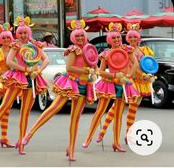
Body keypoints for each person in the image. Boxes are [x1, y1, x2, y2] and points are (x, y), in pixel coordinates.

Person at [21, 19, 98, 161]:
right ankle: (30, 133)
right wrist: (86, 70)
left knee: (75, 119)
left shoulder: (89, 50)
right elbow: (69, 68)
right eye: (77, 36)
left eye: (82, 35)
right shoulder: (73, 50)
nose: (80, 38)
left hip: (84, 85)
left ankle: (72, 149)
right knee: (53, 108)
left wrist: (94, 72)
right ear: (73, 37)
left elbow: (95, 66)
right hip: (71, 83)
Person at [0, 16, 49, 155]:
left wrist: (38, 70)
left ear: (29, 33)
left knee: (25, 112)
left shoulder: (34, 45)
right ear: (17, 34)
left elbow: (45, 60)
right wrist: (25, 69)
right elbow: (9, 62)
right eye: (20, 33)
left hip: (32, 80)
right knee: (4, 106)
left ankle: (21, 143)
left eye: (25, 33)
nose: (23, 35)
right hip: (17, 78)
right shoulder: (15, 45)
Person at [82, 22, 139, 152]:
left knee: (119, 115)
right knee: (100, 111)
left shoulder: (127, 50)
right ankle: (88, 138)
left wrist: (128, 76)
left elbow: (135, 64)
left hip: (123, 85)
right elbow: (100, 72)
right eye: (113, 38)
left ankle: (116, 143)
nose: (117, 40)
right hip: (109, 84)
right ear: (109, 40)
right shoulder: (106, 54)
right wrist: (114, 74)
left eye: (118, 37)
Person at [96, 23, 155, 144]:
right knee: (115, 109)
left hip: (142, 83)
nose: (133, 39)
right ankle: (102, 132)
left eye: (135, 37)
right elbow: (130, 66)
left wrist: (149, 75)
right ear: (127, 38)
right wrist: (143, 75)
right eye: (131, 37)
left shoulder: (144, 50)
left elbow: (147, 65)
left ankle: (129, 135)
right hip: (130, 82)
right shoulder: (126, 50)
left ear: (139, 38)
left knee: (133, 110)